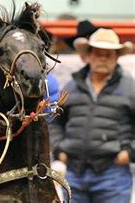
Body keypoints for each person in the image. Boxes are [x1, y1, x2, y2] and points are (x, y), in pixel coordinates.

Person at [49, 28, 135, 202]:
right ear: (88, 55)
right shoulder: (71, 87)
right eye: (97, 53)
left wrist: (129, 153)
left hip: (113, 175)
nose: (102, 58)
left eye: (108, 54)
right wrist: (59, 149)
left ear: (116, 57)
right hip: (73, 173)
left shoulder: (130, 89)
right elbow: (55, 123)